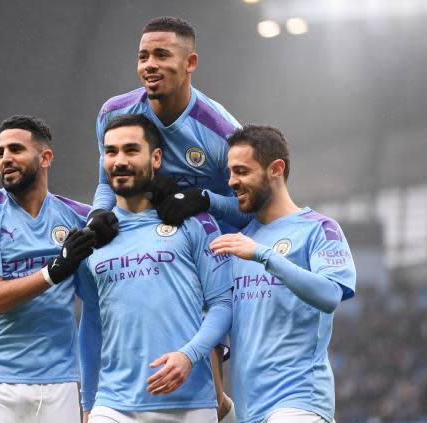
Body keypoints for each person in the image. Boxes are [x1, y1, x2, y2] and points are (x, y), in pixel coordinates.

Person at [86, 16, 243, 421]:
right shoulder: (115, 112)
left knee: (205, 303)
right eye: (143, 56)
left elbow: (250, 207)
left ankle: (215, 392)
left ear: (190, 62)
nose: (149, 65)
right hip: (140, 226)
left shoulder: (221, 131)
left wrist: (204, 200)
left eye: (161, 55)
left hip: (207, 234)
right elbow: (106, 180)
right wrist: (98, 217)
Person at [78, 114, 234, 423]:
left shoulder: (195, 223)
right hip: (113, 405)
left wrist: (189, 356)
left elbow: (223, 305)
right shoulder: (92, 239)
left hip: (188, 401)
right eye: (111, 152)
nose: (119, 160)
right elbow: (92, 324)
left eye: (131, 150)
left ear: (156, 157)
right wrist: (88, 404)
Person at [209, 125, 357, 423]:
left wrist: (263, 254)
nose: (232, 182)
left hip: (300, 402)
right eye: (230, 172)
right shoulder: (239, 241)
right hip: (249, 410)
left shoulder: (318, 229)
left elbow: (330, 295)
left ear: (276, 169)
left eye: (241, 171)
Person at [0, 115, 96, 423]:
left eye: (16, 149)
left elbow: (97, 306)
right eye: (0, 152)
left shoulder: (77, 217)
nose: (5, 158)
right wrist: (53, 271)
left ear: (45, 157)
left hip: (58, 385)